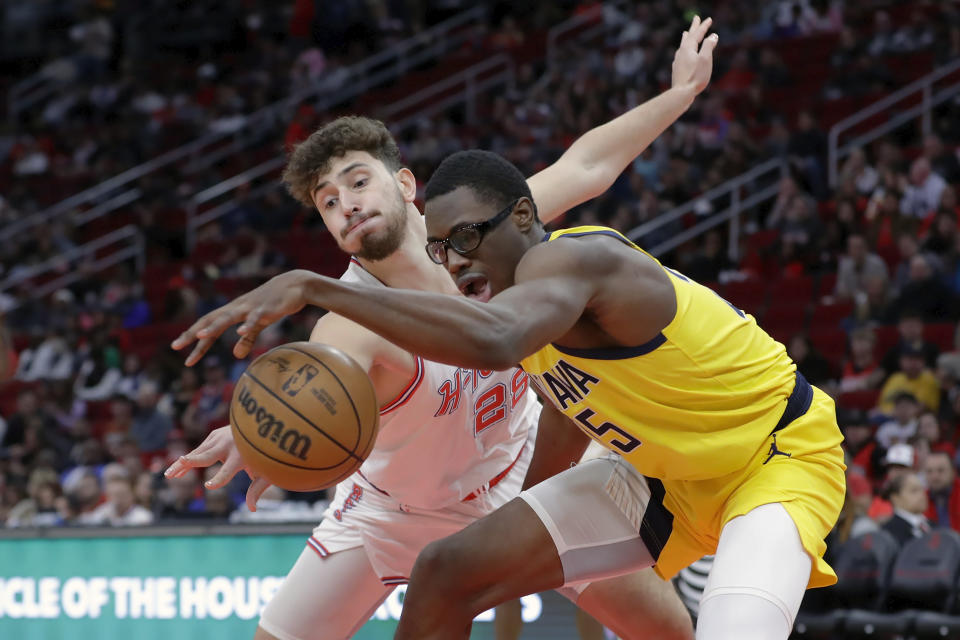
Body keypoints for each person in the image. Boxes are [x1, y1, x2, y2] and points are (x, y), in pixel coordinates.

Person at [171, 56, 843, 640]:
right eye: (326, 202)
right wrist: (256, 431)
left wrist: (678, 96)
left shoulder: (495, 233)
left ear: (405, 185)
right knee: (380, 598)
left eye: (355, 180)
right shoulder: (362, 313)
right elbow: (315, 381)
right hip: (391, 512)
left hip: (560, 471)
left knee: (670, 630)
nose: (344, 203)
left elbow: (587, 164)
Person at [881, 472, 930, 546]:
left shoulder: (934, 526)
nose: (922, 495)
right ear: (895, 498)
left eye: (922, 489)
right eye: (914, 490)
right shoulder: (888, 533)